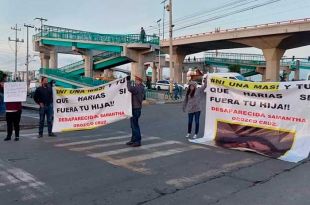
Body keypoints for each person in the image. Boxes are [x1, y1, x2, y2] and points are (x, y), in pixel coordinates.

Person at [126, 75, 145, 147]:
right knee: (133, 125)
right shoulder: (142, 88)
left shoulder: (138, 87)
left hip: (135, 108)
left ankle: (137, 141)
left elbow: (130, 88)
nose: (135, 81)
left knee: (135, 125)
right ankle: (133, 140)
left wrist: (128, 81)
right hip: (137, 108)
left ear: (139, 81)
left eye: (136, 80)